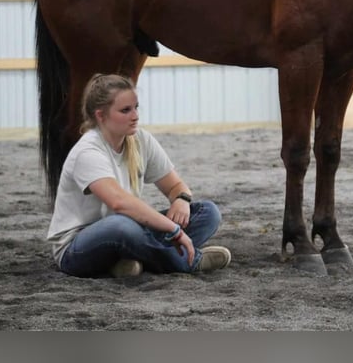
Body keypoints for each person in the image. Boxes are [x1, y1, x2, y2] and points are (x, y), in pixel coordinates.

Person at [46, 73, 232, 278]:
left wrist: (181, 199)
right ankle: (190, 261)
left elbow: (175, 186)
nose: (135, 116)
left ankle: (125, 262)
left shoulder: (141, 139)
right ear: (100, 116)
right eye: (125, 110)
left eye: (136, 107)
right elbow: (120, 203)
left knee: (207, 213)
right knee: (121, 225)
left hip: (128, 229)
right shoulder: (88, 152)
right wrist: (175, 230)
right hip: (76, 248)